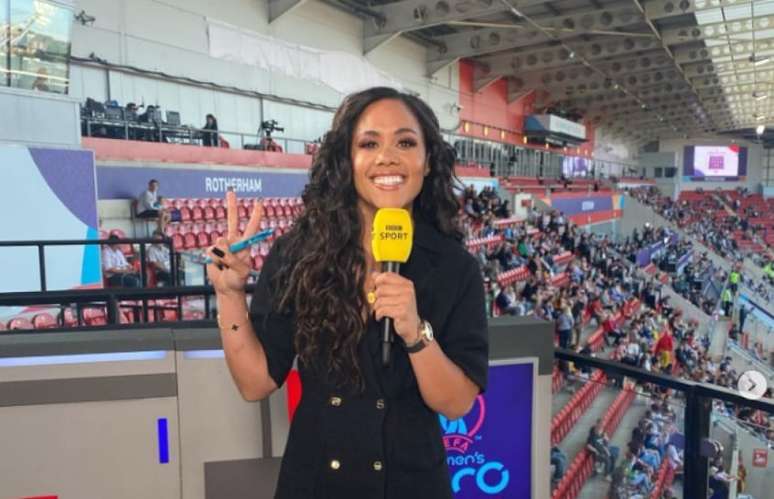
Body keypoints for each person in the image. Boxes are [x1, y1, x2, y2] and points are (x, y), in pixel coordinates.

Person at [206, 87, 489, 499]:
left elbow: (457, 403)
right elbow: (255, 383)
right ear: (347, 160)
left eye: (406, 142)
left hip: (411, 483)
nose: (387, 157)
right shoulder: (297, 253)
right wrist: (230, 293)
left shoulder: (455, 267)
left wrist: (415, 332)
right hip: (316, 480)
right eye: (369, 143)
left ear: (428, 162)